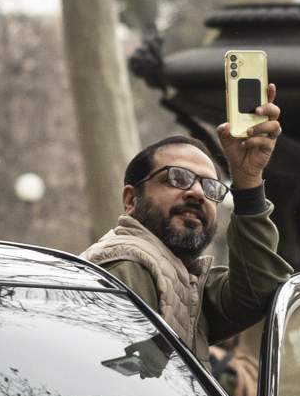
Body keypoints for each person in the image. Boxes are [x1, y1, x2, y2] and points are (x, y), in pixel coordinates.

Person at [82, 91, 288, 359]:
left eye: (210, 187)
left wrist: (248, 179)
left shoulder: (182, 281)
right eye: (177, 178)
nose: (198, 193)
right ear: (131, 199)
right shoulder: (127, 270)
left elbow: (257, 293)